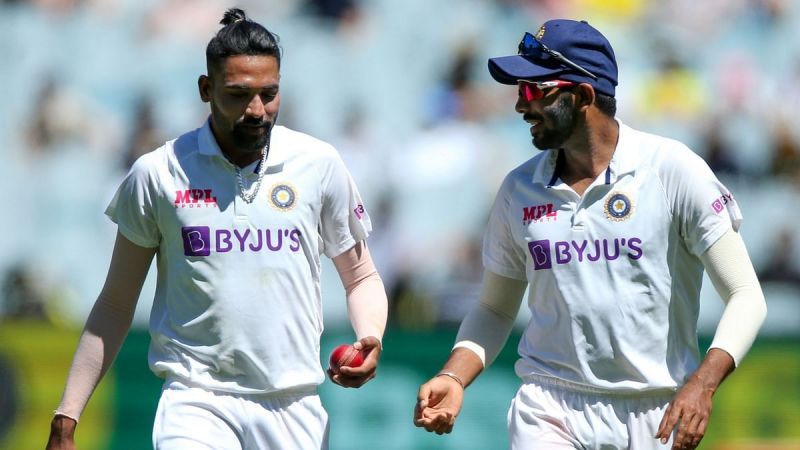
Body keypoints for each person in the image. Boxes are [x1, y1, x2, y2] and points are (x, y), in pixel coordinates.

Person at [413, 19, 766, 450]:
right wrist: (454, 375)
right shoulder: (517, 189)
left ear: (580, 95)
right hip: (550, 405)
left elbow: (747, 295)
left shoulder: (673, 170)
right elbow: (493, 307)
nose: (521, 106)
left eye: (533, 91)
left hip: (655, 411)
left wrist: (704, 383)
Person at [47, 8, 387, 450]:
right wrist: (67, 414)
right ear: (206, 90)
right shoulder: (159, 173)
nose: (257, 110)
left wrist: (370, 338)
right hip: (195, 400)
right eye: (239, 94)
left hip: (294, 404)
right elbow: (115, 303)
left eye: (269, 94)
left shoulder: (318, 165)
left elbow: (361, 276)